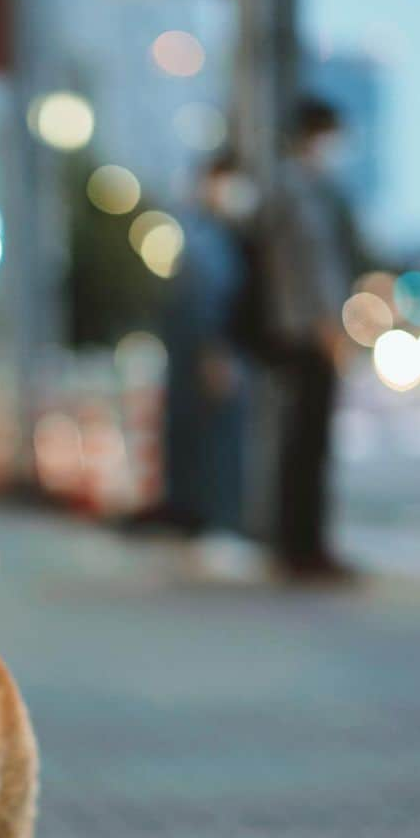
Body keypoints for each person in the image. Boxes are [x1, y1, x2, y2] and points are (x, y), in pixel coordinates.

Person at [261, 97, 360, 581]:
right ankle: (302, 549)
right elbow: (309, 268)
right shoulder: (296, 190)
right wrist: (328, 327)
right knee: (306, 445)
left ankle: (300, 546)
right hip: (306, 333)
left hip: (304, 330)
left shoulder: (302, 188)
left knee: (305, 444)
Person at [163, 153, 264, 580]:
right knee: (217, 443)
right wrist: (215, 350)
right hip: (214, 352)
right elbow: (205, 299)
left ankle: (209, 528)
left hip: (213, 351)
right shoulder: (206, 236)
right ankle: (215, 531)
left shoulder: (213, 233)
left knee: (211, 441)